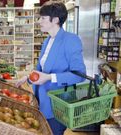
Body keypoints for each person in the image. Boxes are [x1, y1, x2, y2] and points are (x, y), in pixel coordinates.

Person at [16, 1, 86, 135]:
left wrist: (50, 78)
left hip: (57, 105)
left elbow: (80, 74)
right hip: (41, 101)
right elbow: (40, 70)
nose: (39, 21)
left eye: (42, 18)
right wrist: (27, 78)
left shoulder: (71, 40)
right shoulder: (47, 40)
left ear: (55, 20)